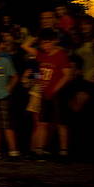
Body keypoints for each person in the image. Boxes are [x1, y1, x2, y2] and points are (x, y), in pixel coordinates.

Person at [22, 30, 73, 160]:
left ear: (54, 41)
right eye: (43, 43)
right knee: (43, 122)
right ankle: (39, 149)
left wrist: (54, 89)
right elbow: (25, 46)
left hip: (57, 93)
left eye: (48, 43)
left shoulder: (61, 55)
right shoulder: (41, 55)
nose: (46, 46)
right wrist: (36, 36)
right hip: (44, 93)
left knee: (61, 123)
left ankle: (64, 151)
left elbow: (67, 75)